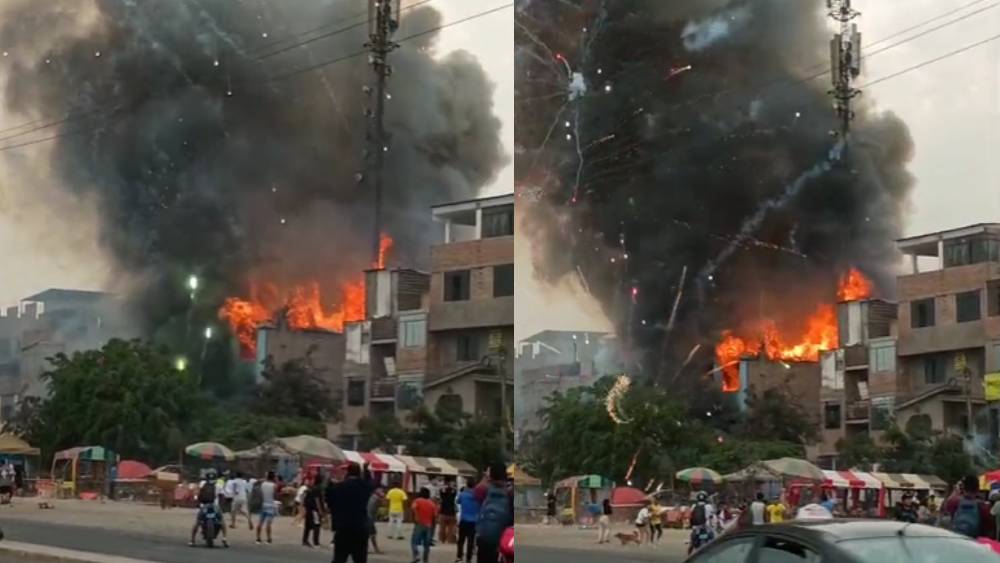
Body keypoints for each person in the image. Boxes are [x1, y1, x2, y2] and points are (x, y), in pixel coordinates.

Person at [327, 462, 376, 563]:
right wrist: (366, 470)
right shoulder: (364, 487)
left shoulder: (339, 487)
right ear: (359, 473)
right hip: (360, 527)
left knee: (339, 558)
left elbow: (329, 501)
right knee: (360, 559)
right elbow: (370, 482)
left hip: (343, 527)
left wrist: (330, 483)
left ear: (347, 472)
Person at [474, 463, 514, 563]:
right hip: (502, 541)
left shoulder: (485, 490)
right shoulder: (510, 493)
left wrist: (486, 477)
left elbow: (476, 491)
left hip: (484, 539)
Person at [190, 472, 229, 548]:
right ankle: (224, 539)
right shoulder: (219, 485)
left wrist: (197, 501)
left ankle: (192, 540)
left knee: (197, 522)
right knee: (222, 522)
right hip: (215, 507)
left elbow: (197, 492)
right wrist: (222, 506)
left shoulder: (202, 483)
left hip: (204, 506)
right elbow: (223, 496)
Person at [411, 487, 438, 563]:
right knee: (426, 545)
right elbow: (435, 517)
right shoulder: (432, 504)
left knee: (414, 542)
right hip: (428, 525)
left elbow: (413, 507)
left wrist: (416, 516)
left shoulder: (417, 500)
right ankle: (425, 560)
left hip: (419, 524)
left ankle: (416, 555)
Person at [457, 477, 480, 563]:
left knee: (461, 540)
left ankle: (459, 556)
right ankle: (468, 558)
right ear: (474, 485)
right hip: (474, 521)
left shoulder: (462, 494)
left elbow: (458, 502)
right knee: (471, 541)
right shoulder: (477, 495)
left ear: (466, 485)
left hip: (463, 520)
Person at [255, 471, 278, 545]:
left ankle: (258, 538)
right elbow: (275, 496)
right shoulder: (274, 485)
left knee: (260, 522)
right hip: (271, 505)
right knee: (268, 523)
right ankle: (268, 539)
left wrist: (262, 480)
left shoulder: (263, 484)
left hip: (263, 504)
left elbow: (256, 484)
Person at [302, 477, 324, 548]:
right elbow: (317, 500)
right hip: (315, 510)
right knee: (317, 525)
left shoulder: (311, 489)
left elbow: (305, 498)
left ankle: (305, 540)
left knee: (307, 525)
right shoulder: (317, 489)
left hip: (309, 509)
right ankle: (316, 542)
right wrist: (320, 510)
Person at [438, 478, 458, 544]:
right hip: (451, 512)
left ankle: (442, 539)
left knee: (442, 528)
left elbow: (440, 491)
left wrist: (443, 487)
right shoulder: (453, 493)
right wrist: (452, 487)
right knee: (451, 528)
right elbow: (455, 491)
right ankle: (450, 540)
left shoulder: (443, 494)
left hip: (443, 512)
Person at [367, 486, 385, 555]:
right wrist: (382, 495)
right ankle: (376, 549)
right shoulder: (376, 498)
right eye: (381, 491)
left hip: (368, 517)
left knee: (370, 534)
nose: (382, 492)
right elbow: (383, 502)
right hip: (369, 518)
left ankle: (370, 548)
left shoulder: (372, 497)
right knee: (372, 534)